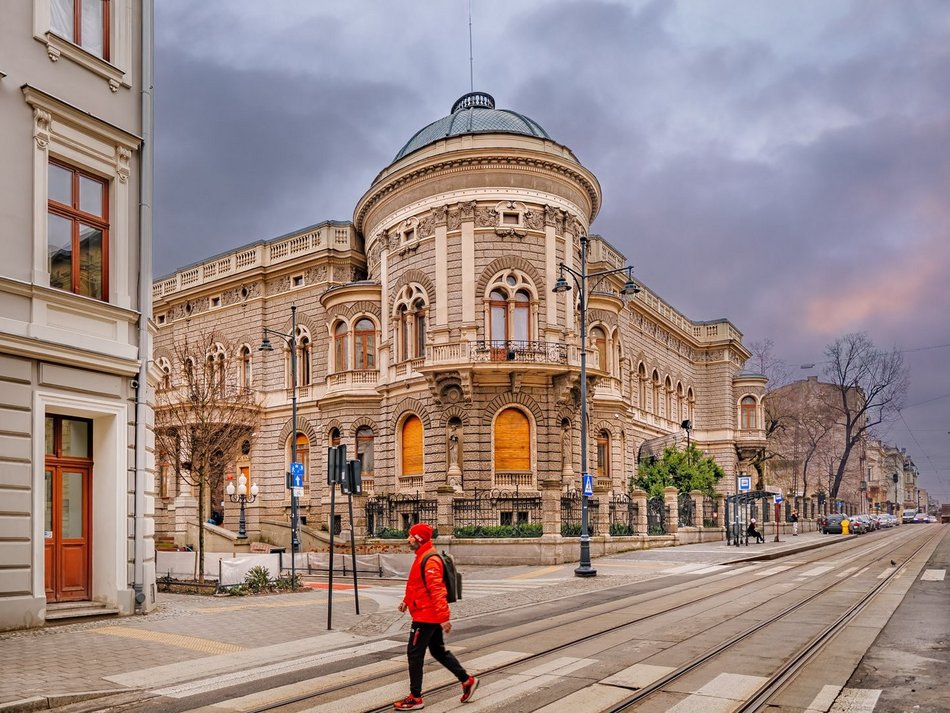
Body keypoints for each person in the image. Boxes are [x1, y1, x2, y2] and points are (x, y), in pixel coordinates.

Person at [394, 523, 478, 710]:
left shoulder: (430, 560)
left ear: (419, 539)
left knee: (414, 654)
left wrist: (443, 617)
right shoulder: (422, 556)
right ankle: (467, 681)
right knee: (438, 651)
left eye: (411, 536)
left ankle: (415, 697)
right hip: (426, 613)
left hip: (426, 617)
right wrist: (406, 601)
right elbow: (417, 585)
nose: (408, 539)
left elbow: (437, 590)